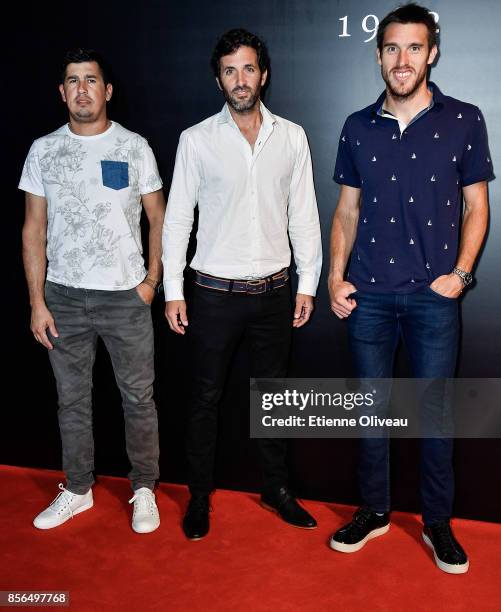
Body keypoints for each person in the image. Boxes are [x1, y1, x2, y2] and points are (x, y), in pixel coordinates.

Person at [328, 3, 493, 573]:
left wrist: (462, 274)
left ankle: (437, 523)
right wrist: (333, 275)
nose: (402, 60)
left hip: (432, 297)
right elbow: (345, 212)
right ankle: (373, 512)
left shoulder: (465, 119)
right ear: (379, 55)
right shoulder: (356, 124)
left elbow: (478, 206)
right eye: (392, 49)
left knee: (433, 413)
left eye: (414, 48)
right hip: (368, 295)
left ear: (433, 53)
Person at [163, 29, 322, 540]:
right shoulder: (197, 140)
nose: (240, 79)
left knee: (273, 398)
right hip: (212, 295)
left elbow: (305, 216)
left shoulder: (292, 137)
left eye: (248, 68)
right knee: (205, 399)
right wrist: (172, 289)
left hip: (276, 294)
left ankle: (277, 490)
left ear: (263, 74)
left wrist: (308, 282)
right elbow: (177, 221)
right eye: (230, 70)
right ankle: (199, 496)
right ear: (218, 79)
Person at [20, 48, 166, 534]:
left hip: (126, 296)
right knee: (71, 400)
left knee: (138, 399)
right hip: (62, 297)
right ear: (62, 93)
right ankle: (78, 489)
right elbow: (33, 228)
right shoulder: (43, 150)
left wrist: (150, 283)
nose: (82, 89)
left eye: (91, 80)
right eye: (73, 81)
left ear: (107, 90)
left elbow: (159, 218)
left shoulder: (134, 146)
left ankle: (143, 489)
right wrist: (37, 301)